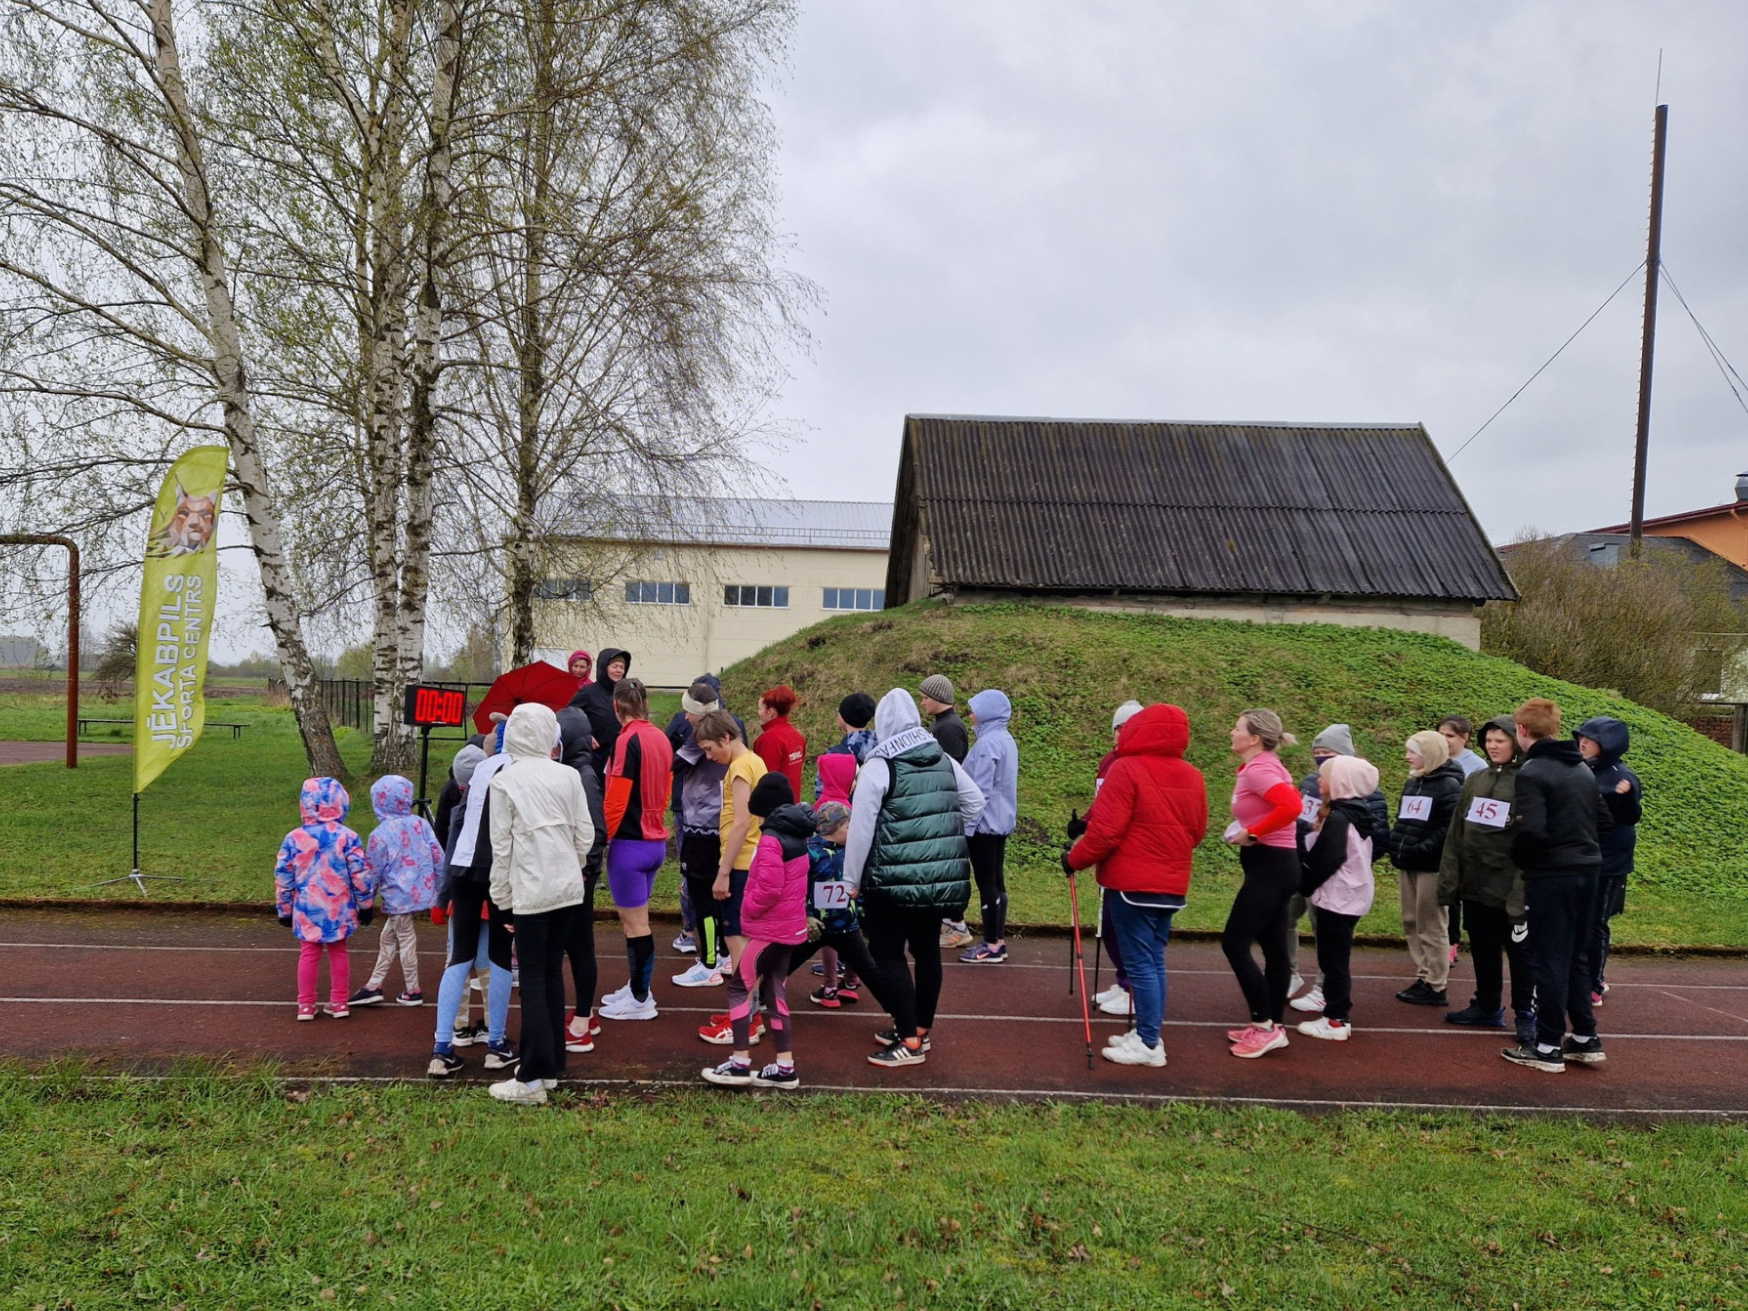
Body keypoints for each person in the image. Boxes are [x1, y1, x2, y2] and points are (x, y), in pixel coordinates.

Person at [844, 688, 985, 1067]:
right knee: (926, 951)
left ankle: (908, 1038)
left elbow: (861, 829)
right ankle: (920, 1028)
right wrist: (940, 834)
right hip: (938, 877)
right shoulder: (941, 758)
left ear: (882, 723)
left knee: (886, 952)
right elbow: (975, 802)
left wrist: (850, 880)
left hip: (892, 879)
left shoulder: (878, 765)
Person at [1063, 703, 1207, 1067]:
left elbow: (1105, 832)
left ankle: (1148, 1042)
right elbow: (1197, 831)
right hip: (1172, 882)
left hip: (1131, 882)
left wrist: (1074, 860)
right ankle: (1148, 1033)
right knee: (1153, 960)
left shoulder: (1126, 769)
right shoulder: (1192, 774)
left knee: (1141, 963)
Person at [486, 703, 594, 1105]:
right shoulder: (568, 775)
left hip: (531, 891)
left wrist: (502, 901)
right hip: (568, 889)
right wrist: (570, 867)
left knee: (533, 979)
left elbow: (501, 848)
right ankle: (549, 1066)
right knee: (550, 974)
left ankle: (531, 1076)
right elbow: (585, 835)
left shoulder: (505, 781)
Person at [1502, 697, 1606, 1072]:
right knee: (1577, 955)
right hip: (1588, 870)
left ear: (1522, 730)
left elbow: (1531, 830)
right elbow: (1605, 820)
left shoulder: (1533, 772)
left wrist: (1520, 856)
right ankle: (1585, 1036)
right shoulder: (1581, 770)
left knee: (1548, 959)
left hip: (1552, 875)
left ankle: (1547, 1045)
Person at [701, 774, 811, 1089]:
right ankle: (785, 1067)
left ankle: (739, 1063)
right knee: (775, 994)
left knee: (739, 988)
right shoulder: (799, 836)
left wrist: (746, 908)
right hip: (789, 930)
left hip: (768, 931)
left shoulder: (772, 839)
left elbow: (768, 887)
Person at [1437, 716, 1535, 1046]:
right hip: (1476, 884)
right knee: (1482, 947)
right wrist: (1451, 879)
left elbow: (1530, 839)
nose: (1492, 746)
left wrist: (1521, 889)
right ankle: (1488, 1005)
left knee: (1520, 955)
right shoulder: (1476, 779)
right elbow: (1457, 831)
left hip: (1510, 886)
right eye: (1489, 740)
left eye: (1500, 740)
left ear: (1516, 742)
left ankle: (1527, 1014)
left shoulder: (1528, 781)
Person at [430, 740, 517, 1078]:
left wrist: (442, 898)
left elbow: (452, 849)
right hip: (499, 870)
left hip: (464, 872)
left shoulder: (469, 793)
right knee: (499, 957)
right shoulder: (516, 774)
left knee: (459, 958)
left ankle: (441, 1049)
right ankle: (496, 1045)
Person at [1221, 709, 1302, 1058]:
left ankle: (1265, 1025)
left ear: (1254, 738)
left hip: (1272, 867)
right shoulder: (1261, 765)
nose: (1231, 732)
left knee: (1234, 943)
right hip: (1273, 865)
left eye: (1237, 728)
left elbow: (1292, 806)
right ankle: (1273, 1026)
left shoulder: (1260, 769)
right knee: (1274, 949)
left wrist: (1253, 832)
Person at [596, 678, 673, 1022]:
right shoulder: (661, 737)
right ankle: (637, 988)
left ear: (616, 706)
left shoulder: (626, 740)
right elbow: (666, 787)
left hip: (630, 844)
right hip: (654, 842)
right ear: (645, 703)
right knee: (637, 923)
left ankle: (641, 998)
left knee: (635, 926)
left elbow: (616, 798)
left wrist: (602, 839)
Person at [693, 709, 770, 1046]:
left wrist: (722, 872)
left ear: (726, 737)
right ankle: (750, 1015)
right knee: (747, 944)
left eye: (710, 749)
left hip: (740, 864)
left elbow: (741, 822)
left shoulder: (740, 767)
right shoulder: (755, 761)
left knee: (738, 945)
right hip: (752, 860)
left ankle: (744, 1022)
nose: (709, 757)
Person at [1295, 754, 1381, 1042]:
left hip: (1340, 897)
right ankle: (1335, 1014)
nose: (1319, 779)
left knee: (1333, 959)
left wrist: (1304, 883)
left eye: (1326, 775)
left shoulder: (1340, 817)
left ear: (1341, 782)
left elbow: (1327, 858)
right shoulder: (1354, 811)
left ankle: (1336, 1019)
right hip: (1349, 894)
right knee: (1334, 957)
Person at [274, 777, 373, 1021]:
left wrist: (284, 908)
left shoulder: (294, 838)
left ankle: (305, 1005)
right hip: (339, 906)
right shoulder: (347, 836)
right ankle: (339, 1002)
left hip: (307, 907)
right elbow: (360, 873)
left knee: (308, 953)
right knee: (339, 951)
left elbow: (284, 876)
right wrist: (366, 904)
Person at [350, 775, 444, 1007]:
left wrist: (365, 902)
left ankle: (413, 989)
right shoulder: (421, 824)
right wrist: (442, 888)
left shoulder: (380, 835)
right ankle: (374, 984)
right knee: (388, 938)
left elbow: (372, 872)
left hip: (398, 896)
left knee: (405, 939)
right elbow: (438, 857)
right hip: (421, 891)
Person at [669, 679, 739, 986]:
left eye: (689, 713)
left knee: (702, 895)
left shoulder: (701, 736)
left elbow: (673, 764)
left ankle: (709, 963)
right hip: (723, 820)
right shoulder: (733, 726)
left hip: (702, 823)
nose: (686, 718)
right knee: (720, 893)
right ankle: (722, 954)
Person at [1076, 699, 1144, 1017]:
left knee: (1123, 924)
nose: (1122, 734)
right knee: (1108, 923)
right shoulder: (1110, 761)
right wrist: (1084, 823)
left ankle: (1133, 986)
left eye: (1129, 728)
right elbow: (1103, 803)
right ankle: (1123, 979)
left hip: (1127, 854)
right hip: (1108, 854)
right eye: (1119, 728)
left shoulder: (1136, 765)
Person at [1387, 730, 1464, 1007]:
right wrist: (1398, 845)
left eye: (1413, 752)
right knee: (1412, 920)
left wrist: (1422, 848)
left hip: (1431, 866)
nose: (1407, 757)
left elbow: (1449, 827)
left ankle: (1436, 983)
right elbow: (1404, 819)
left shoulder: (1450, 786)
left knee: (1431, 924)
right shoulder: (1414, 782)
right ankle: (1424, 975)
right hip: (1409, 861)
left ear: (1429, 754)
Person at [788, 801, 887, 1010]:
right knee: (783, 965)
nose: (854, 831)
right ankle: (759, 996)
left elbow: (861, 884)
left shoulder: (854, 853)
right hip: (815, 927)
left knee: (871, 972)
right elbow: (796, 889)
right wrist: (805, 915)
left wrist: (863, 909)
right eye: (848, 826)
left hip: (846, 927)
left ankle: (902, 1016)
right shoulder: (809, 853)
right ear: (831, 828)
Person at [1576, 716, 1642, 1006]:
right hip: (1578, 857)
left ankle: (1594, 981)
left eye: (1590, 739)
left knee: (1596, 921)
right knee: (1577, 920)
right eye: (1581, 737)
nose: (1582, 743)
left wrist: (1623, 798)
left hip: (1608, 861)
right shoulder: (1578, 769)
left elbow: (1630, 817)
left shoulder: (1620, 776)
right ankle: (1577, 975)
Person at [555, 704, 608, 1053]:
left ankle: (582, 1021)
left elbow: (596, 831)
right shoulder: (576, 770)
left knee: (579, 946)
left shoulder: (582, 776)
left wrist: (585, 871)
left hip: (579, 876)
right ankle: (585, 1015)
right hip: (577, 873)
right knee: (577, 945)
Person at [960, 689, 1019, 963]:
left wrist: (968, 826)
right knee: (996, 881)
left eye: (974, 709)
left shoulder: (987, 745)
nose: (970, 714)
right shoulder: (1005, 739)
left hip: (984, 825)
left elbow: (979, 791)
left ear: (987, 712)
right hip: (1000, 822)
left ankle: (991, 943)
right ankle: (998, 941)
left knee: (987, 884)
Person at [921, 676, 972, 947]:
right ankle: (949, 922)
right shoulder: (942, 725)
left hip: (945, 807)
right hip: (942, 805)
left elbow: (950, 770)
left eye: (925, 697)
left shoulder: (948, 728)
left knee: (947, 867)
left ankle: (957, 925)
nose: (922, 703)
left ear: (938, 698)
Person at [1438, 716, 1485, 964]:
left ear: (1464, 738)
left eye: (1450, 736)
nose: (1444, 740)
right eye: (1441, 735)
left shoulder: (1476, 766)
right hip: (1439, 836)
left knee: (1457, 892)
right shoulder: (1434, 760)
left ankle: (1452, 943)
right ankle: (1438, 941)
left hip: (1464, 836)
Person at [570, 646, 632, 774]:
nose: (619, 670)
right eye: (615, 666)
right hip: (595, 757)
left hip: (620, 755)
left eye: (622, 667)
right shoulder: (588, 693)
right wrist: (585, 736)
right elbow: (569, 717)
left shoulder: (625, 694)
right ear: (604, 667)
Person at [753, 684, 807, 799]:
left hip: (774, 805)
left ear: (770, 712)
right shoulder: (797, 736)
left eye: (760, 708)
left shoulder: (768, 739)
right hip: (793, 803)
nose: (758, 712)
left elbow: (764, 779)